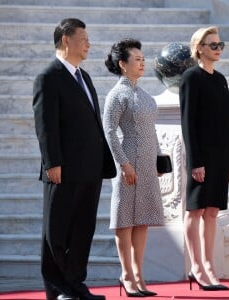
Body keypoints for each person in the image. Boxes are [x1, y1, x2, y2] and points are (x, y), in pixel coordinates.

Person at [33, 18, 116, 300]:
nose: (89, 44)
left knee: (82, 231)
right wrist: (52, 162)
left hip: (90, 169)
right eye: (84, 39)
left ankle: (75, 285)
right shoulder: (49, 77)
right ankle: (58, 290)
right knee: (56, 232)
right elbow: (45, 124)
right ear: (66, 40)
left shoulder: (84, 76)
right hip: (63, 170)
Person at [103, 38, 165, 297]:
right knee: (124, 221)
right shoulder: (117, 94)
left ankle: (139, 275)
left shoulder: (144, 93)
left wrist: (160, 158)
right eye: (136, 59)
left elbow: (151, 130)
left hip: (148, 165)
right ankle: (126, 274)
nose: (142, 63)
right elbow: (108, 131)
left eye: (143, 59)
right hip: (128, 163)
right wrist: (124, 164)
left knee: (142, 221)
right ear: (122, 64)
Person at [179, 26, 229, 291]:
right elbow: (188, 122)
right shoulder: (191, 77)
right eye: (212, 44)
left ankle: (210, 267)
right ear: (199, 48)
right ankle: (196, 267)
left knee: (212, 212)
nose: (218, 48)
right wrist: (195, 162)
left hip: (221, 155)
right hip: (201, 155)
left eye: (219, 44)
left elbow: (226, 122)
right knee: (195, 210)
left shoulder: (221, 79)